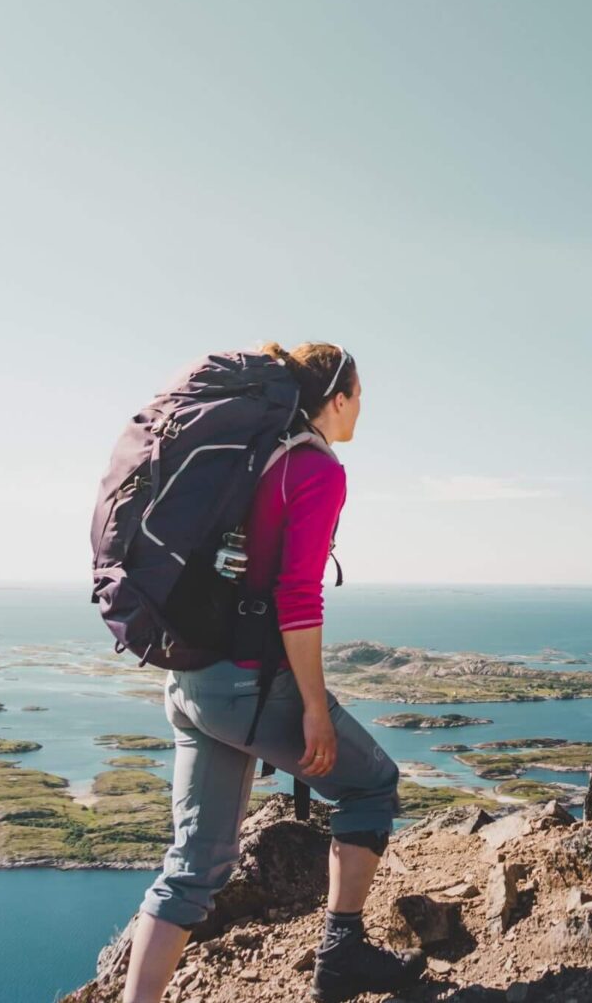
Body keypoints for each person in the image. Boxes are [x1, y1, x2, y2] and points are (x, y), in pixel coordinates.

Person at [121, 341, 424, 1003]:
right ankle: (341, 957)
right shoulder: (315, 468)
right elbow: (297, 596)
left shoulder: (252, 458)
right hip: (245, 685)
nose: (363, 409)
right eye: (360, 397)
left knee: (194, 868)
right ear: (338, 398)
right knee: (371, 785)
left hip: (192, 680)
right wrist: (314, 707)